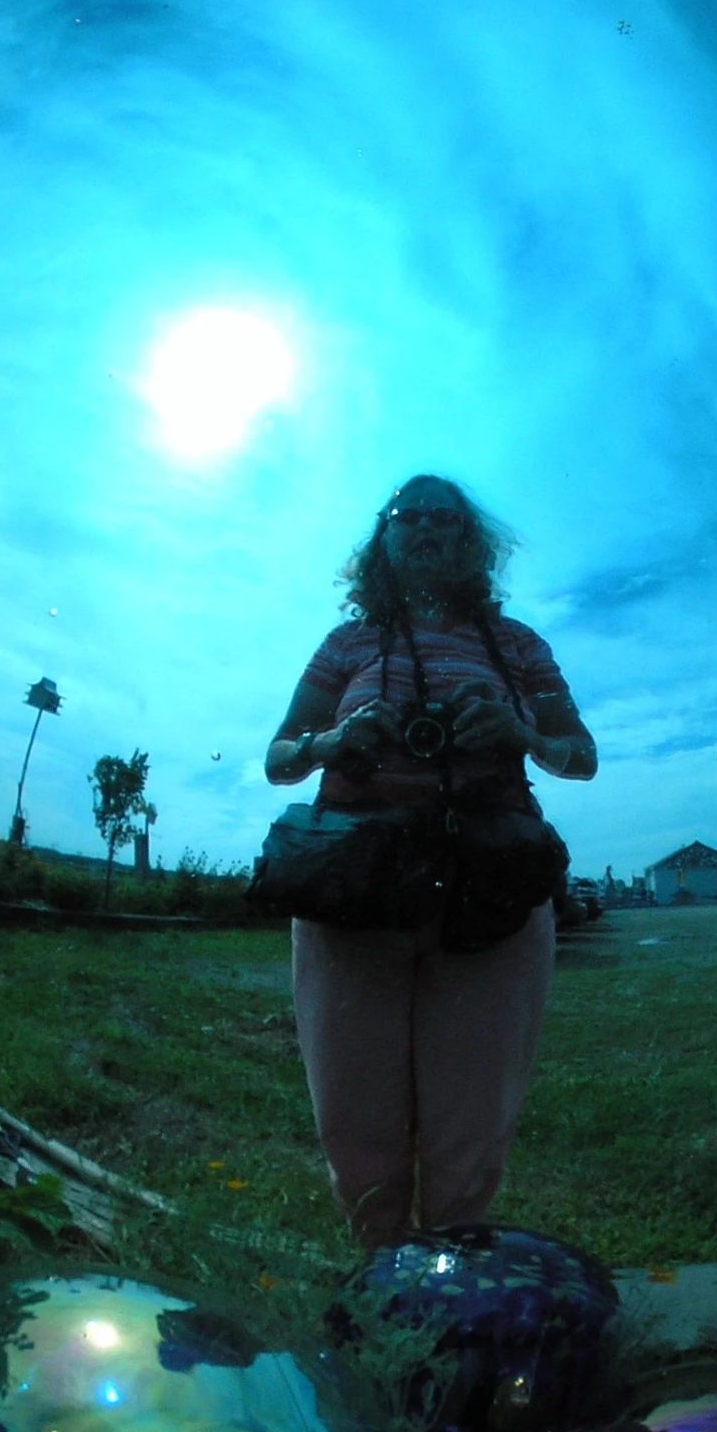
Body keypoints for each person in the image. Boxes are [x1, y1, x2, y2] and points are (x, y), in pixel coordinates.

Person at [264, 474, 597, 1247]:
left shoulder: (516, 643)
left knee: (471, 1131)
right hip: (355, 892)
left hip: (490, 896)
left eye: (444, 517)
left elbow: (579, 755)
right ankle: (384, 1288)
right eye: (404, 515)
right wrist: (334, 742)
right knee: (354, 1126)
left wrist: (522, 734)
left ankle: (449, 1291)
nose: (424, 527)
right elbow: (280, 756)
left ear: (470, 542)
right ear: (381, 540)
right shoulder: (346, 643)